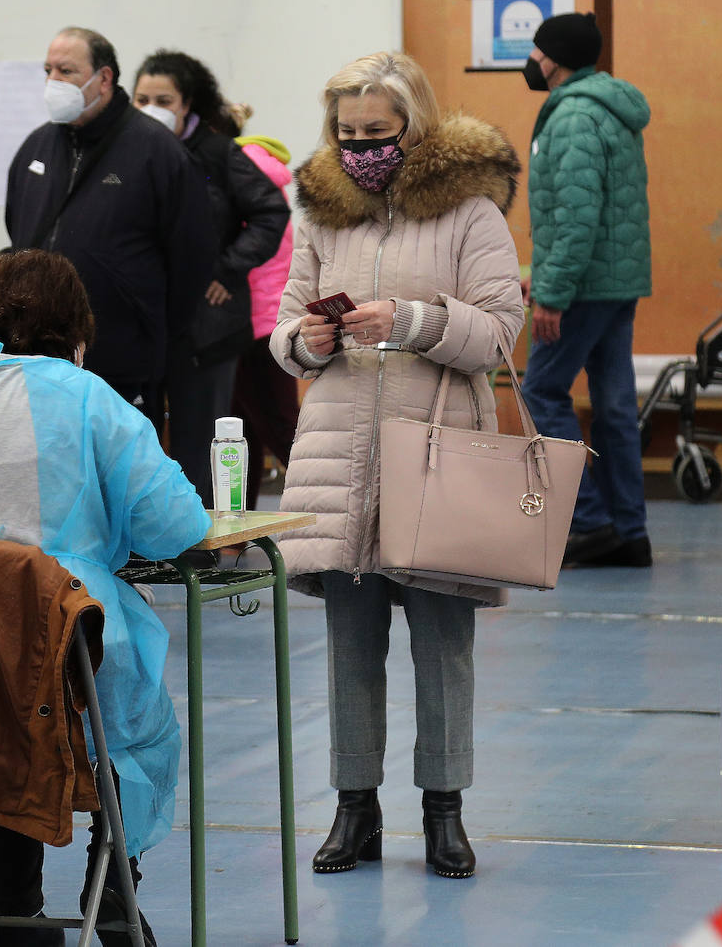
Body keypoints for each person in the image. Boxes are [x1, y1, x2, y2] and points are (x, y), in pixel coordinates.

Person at [0, 249, 209, 946]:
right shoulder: (88, 398)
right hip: (71, 651)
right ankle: (112, 886)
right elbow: (174, 524)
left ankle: (16, 906)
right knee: (130, 729)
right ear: (74, 325)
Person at [269, 52, 525, 879]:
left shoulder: (471, 213)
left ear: (413, 126)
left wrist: (413, 320)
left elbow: (497, 332)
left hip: (440, 458)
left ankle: (444, 812)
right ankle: (355, 810)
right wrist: (299, 344)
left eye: (376, 132)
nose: (359, 147)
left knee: (443, 647)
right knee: (349, 648)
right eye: (347, 133)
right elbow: (283, 325)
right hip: (339, 461)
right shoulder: (317, 212)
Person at [4, 28, 215, 428]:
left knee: (120, 481)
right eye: (48, 70)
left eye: (66, 70)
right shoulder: (35, 148)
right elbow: (17, 231)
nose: (54, 81)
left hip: (123, 360)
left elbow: (193, 258)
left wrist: (149, 330)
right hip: (37, 358)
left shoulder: (157, 150)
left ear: (103, 78)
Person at [519, 12, 653, 567]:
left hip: (582, 287)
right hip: (616, 281)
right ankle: (629, 531)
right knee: (614, 407)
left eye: (537, 50)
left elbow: (577, 215)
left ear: (555, 58)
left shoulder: (572, 115)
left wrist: (551, 291)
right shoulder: (611, 109)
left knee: (540, 394)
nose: (531, 59)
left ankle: (591, 521)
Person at [132, 51, 290, 505]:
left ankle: (201, 546)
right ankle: (148, 541)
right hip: (144, 320)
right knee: (138, 439)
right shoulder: (129, 151)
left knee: (200, 440)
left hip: (209, 326)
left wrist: (227, 267)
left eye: (163, 98)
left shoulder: (221, 154)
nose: (151, 108)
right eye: (142, 98)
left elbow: (270, 213)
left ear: (188, 104)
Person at [227, 105, 300, 509]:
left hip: (247, 322)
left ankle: (335, 518)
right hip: (267, 318)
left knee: (280, 429)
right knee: (239, 432)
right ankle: (235, 525)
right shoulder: (260, 170)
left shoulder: (236, 174)